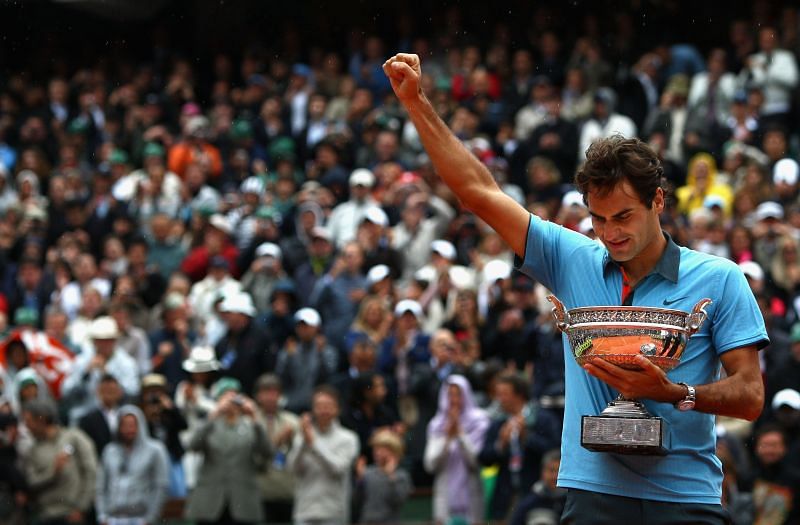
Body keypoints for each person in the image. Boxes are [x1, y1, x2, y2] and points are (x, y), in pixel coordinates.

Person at [383, 53, 767, 524]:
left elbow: (750, 396)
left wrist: (677, 392)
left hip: (686, 496)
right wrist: (416, 101)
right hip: (592, 494)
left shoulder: (720, 277)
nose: (610, 233)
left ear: (659, 202)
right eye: (598, 219)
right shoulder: (571, 257)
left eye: (623, 216)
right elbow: (476, 191)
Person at [184, 377, 271, 525]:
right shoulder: (210, 425)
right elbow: (193, 446)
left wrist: (255, 418)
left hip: (242, 501)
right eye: (226, 397)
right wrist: (214, 414)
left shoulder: (250, 425)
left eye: (235, 396)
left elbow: (267, 452)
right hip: (210, 502)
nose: (231, 402)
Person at [287, 385, 359, 525]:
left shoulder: (349, 438)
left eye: (328, 406)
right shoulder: (303, 436)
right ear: (313, 409)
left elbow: (337, 469)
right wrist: (303, 443)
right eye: (319, 406)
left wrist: (313, 444)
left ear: (337, 409)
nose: (323, 410)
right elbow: (292, 468)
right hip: (304, 510)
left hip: (333, 511)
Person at [424, 375, 489, 525]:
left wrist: (460, 435)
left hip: (472, 499)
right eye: (449, 395)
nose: (453, 400)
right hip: (445, 499)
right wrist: (447, 438)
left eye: (458, 394)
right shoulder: (436, 425)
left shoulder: (480, 421)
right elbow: (430, 464)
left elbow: (475, 460)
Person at [21, 399, 97, 525]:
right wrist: (53, 471)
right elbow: (31, 482)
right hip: (45, 516)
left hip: (73, 515)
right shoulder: (32, 451)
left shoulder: (75, 437)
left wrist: (82, 508)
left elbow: (91, 471)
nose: (26, 426)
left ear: (42, 419)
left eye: (28, 421)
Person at [95, 405, 170, 525]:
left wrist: (151, 518)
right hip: (113, 517)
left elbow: (161, 485)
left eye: (133, 425)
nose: (129, 430)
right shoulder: (109, 451)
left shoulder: (155, 450)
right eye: (124, 425)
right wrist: (102, 516)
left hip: (141, 518)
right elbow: (101, 486)